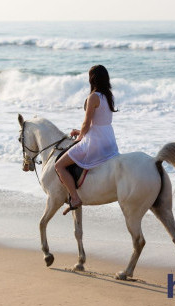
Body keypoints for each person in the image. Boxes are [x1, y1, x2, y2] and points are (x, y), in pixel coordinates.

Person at [55, 65, 119, 214]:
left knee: (59, 165)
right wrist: (81, 131)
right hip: (108, 139)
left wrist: (79, 137)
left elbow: (87, 122)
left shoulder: (93, 97)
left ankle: (75, 198)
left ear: (92, 79)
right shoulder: (109, 96)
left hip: (95, 141)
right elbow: (99, 122)